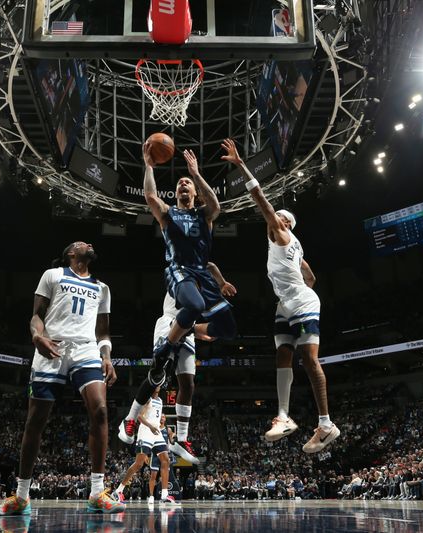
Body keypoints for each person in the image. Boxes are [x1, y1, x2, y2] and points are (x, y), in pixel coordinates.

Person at [220, 138, 339, 453]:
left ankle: (326, 424)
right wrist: (297, 293)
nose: (273, 222)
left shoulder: (280, 232)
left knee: (308, 359)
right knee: (282, 355)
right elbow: (310, 276)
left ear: (285, 223)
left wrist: (241, 164)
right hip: (289, 304)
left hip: (298, 302)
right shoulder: (295, 247)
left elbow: (259, 197)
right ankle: (284, 416)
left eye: (279, 218)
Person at [0, 242, 124, 516]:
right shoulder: (53, 275)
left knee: (100, 410)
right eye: (82, 242)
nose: (89, 243)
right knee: (36, 420)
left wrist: (107, 356)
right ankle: (21, 496)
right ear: (71, 254)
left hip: (86, 348)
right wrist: (37, 336)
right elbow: (36, 316)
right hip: (53, 346)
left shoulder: (102, 288)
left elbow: (104, 332)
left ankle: (97, 493)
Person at [124, 143, 238, 454]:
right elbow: (149, 197)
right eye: (179, 184)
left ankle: (184, 439)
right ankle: (132, 419)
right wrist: (149, 165)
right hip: (176, 285)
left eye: (185, 183)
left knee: (192, 377)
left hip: (193, 298)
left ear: (196, 192)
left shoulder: (204, 215)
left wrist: (196, 173)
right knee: (192, 310)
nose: (182, 184)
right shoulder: (169, 215)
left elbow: (215, 207)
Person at [118, 261, 236, 461]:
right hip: (169, 323)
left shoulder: (202, 284)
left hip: (187, 329)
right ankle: (129, 419)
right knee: (157, 376)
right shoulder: (181, 271)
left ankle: (181, 439)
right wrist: (221, 282)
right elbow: (209, 266)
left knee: (188, 385)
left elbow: (210, 267)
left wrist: (222, 284)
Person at [112, 392, 177, 505]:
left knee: (166, 460)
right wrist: (150, 426)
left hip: (156, 432)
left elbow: (156, 417)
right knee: (139, 464)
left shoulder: (161, 400)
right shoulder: (147, 399)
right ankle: (118, 491)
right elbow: (139, 416)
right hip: (146, 431)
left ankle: (164, 495)